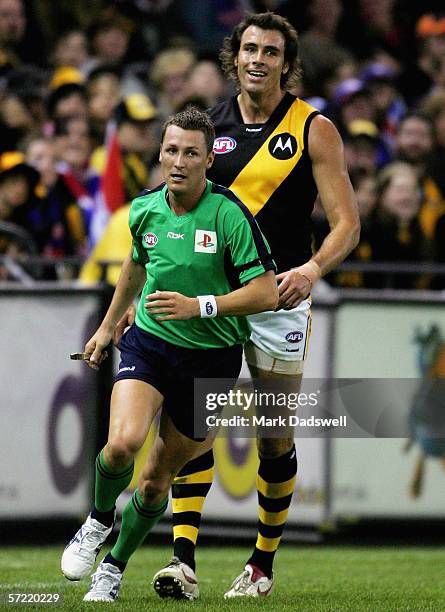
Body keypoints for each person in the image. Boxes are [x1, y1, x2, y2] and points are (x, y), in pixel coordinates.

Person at [149, 11, 359, 600]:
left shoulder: (314, 128)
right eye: (249, 49)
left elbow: (348, 224)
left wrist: (313, 269)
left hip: (278, 299)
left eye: (270, 51)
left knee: (273, 435)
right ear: (232, 56)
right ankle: (182, 562)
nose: (257, 59)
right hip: (213, 299)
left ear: (287, 65)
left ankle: (260, 565)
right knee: (197, 423)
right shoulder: (204, 124)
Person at [60, 107, 278, 602]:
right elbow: (135, 267)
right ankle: (97, 520)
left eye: (191, 153)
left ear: (209, 159)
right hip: (151, 344)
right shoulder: (144, 209)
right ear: (160, 153)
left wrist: (199, 306)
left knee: (158, 482)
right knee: (122, 444)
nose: (179, 161)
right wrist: (107, 325)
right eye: (171, 150)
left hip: (213, 359)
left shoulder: (229, 215)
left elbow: (265, 291)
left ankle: (113, 568)